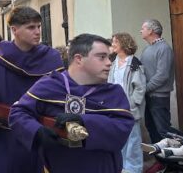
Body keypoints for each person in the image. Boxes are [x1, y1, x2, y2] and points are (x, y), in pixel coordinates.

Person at [9, 34, 135, 173]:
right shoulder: (50, 85)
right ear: (79, 59)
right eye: (102, 57)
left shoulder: (114, 93)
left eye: (109, 57)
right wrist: (36, 131)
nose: (109, 62)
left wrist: (85, 121)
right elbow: (18, 113)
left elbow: (122, 128)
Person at [0, 6, 63, 173]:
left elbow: (62, 92)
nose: (37, 32)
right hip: (7, 135)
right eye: (31, 27)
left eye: (38, 26)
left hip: (41, 134)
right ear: (14, 30)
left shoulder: (51, 57)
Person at [108, 32, 146, 173]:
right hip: (115, 107)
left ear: (123, 44)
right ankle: (121, 167)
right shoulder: (113, 63)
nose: (113, 45)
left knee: (133, 140)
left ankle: (134, 169)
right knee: (120, 138)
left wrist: (132, 104)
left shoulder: (134, 63)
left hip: (129, 107)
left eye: (115, 42)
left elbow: (140, 87)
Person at [140, 19, 175, 143]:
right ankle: (159, 154)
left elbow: (162, 75)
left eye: (143, 28)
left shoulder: (164, 48)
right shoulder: (147, 49)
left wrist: (144, 88)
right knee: (152, 128)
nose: (140, 31)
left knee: (163, 130)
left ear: (151, 31)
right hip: (148, 95)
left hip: (159, 96)